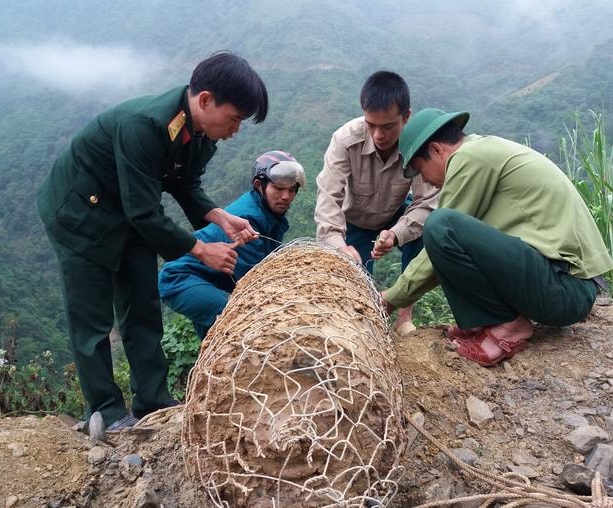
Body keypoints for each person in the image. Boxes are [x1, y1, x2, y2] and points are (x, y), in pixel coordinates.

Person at [37, 52, 267, 431]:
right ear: (206, 100)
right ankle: (107, 411)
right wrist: (200, 249)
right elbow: (144, 212)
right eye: (235, 119)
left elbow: (183, 182)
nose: (236, 130)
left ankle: (152, 400)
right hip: (80, 212)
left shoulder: (198, 131)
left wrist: (219, 217)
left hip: (128, 213)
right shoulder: (145, 125)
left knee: (142, 306)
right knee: (92, 319)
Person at [383, 108, 613, 366]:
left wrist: (390, 299)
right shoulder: (485, 151)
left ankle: (509, 328)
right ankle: (487, 322)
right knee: (449, 231)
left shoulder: (468, 158)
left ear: (437, 150)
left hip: (566, 289)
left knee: (440, 225)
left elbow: (443, 238)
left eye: (420, 169)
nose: (424, 179)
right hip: (563, 286)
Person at [314, 71, 439, 334]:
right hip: (354, 222)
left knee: (433, 225)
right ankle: (361, 327)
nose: (378, 134)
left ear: (406, 117)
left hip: (394, 214)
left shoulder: (415, 143)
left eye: (388, 126)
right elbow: (328, 198)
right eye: (371, 125)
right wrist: (338, 245)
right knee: (355, 281)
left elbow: (426, 200)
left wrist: (396, 233)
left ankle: (404, 317)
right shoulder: (345, 140)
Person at [159, 150, 306, 338]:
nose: (286, 196)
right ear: (259, 185)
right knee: (240, 318)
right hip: (183, 280)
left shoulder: (269, 214)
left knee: (214, 343)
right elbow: (251, 281)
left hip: (214, 281)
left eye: (292, 190)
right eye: (278, 188)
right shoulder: (248, 219)